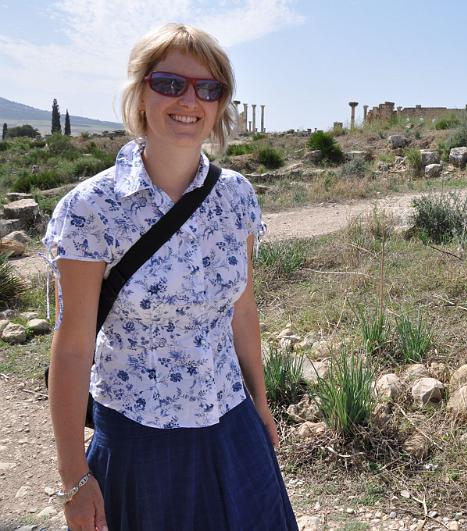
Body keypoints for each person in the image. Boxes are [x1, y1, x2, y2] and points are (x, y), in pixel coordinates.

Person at [44, 23, 297, 530]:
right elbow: (72, 348)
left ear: (221, 104)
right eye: (169, 83)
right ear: (140, 92)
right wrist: (74, 479)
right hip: (142, 435)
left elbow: (242, 311)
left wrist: (261, 405)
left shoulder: (237, 197)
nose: (190, 100)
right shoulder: (90, 210)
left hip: (231, 420)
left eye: (209, 88)